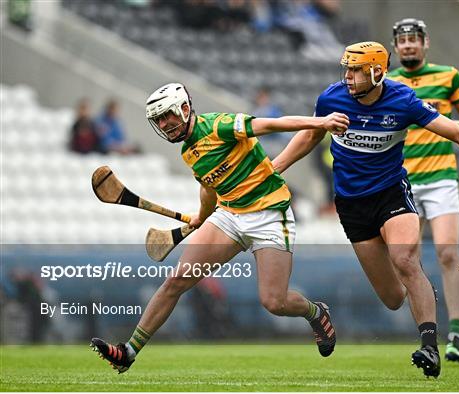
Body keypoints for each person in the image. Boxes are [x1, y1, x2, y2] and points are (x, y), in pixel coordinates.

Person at [272, 42, 459, 378]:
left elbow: (457, 130)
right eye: (347, 69)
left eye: (356, 70)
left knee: (405, 260)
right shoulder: (331, 98)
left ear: (377, 72)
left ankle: (429, 345)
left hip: (391, 195)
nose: (348, 77)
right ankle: (419, 290)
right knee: (393, 298)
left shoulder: (403, 101)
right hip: (352, 205)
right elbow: (310, 137)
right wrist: (275, 167)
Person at [90, 83, 349, 373]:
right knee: (177, 280)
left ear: (185, 109)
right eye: (159, 120)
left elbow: (271, 124)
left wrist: (322, 122)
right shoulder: (188, 152)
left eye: (168, 115)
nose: (165, 124)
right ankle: (128, 351)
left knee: (275, 302)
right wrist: (201, 216)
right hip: (229, 214)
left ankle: (316, 312)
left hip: (269, 214)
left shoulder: (219, 126)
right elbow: (208, 188)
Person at [387, 18, 459, 364]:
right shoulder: (389, 83)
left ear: (425, 43)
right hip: (404, 180)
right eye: (402, 41)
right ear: (396, 47)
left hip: (442, 177)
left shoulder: (449, 76)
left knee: (448, 252)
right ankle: (425, 329)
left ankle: (456, 331)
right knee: (404, 258)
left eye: (414, 39)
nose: (409, 45)